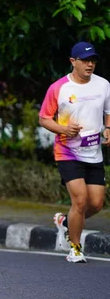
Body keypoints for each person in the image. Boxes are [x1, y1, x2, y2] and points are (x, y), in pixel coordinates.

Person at [39, 42, 110, 263]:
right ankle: (76, 248)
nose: (90, 65)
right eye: (85, 61)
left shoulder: (104, 85)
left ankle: (66, 222)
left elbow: (108, 112)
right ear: (73, 62)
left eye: (93, 61)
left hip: (94, 152)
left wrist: (108, 128)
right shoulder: (59, 88)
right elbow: (44, 118)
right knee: (79, 201)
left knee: (96, 204)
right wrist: (63, 129)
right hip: (67, 152)